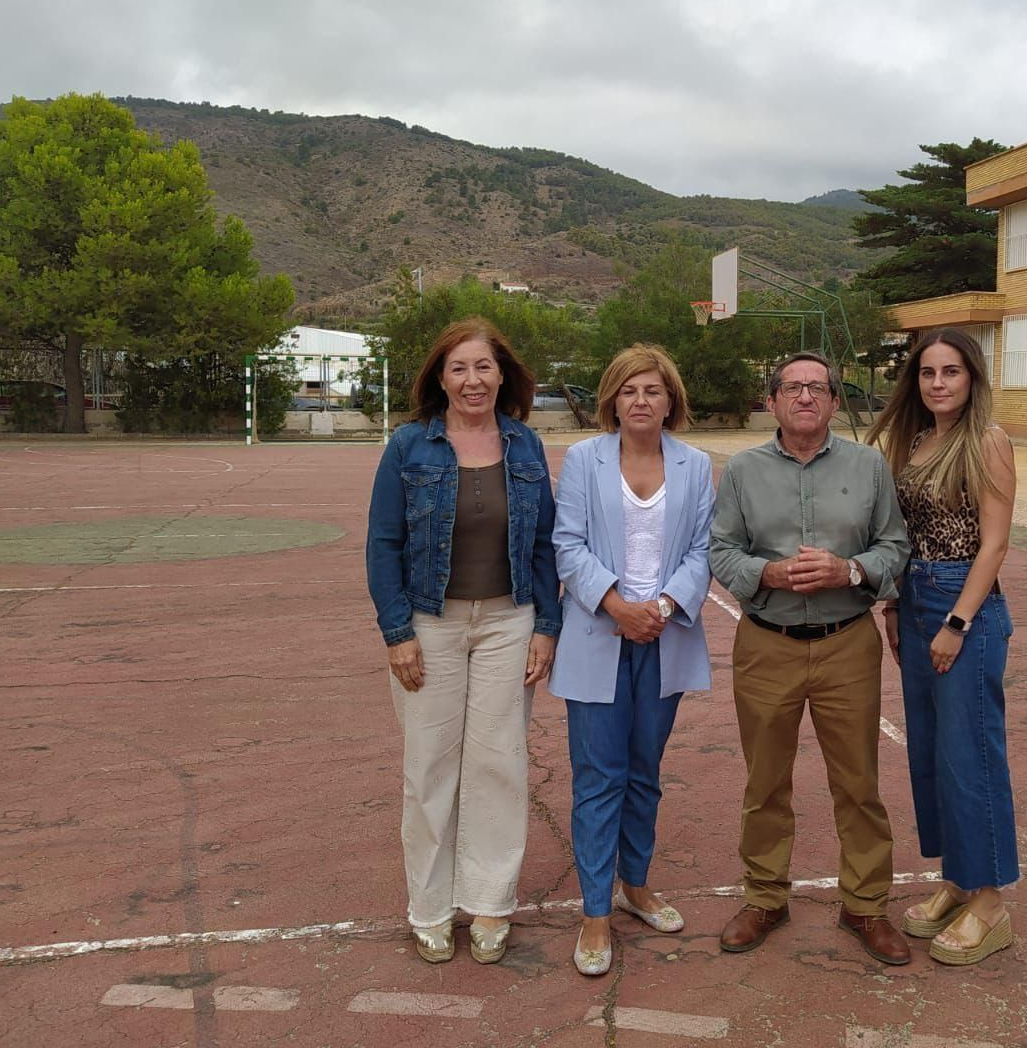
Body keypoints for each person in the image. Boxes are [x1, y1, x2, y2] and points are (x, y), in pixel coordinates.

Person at [364, 317, 561, 966]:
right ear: (440, 378)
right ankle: (429, 909)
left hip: (510, 620)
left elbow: (543, 547)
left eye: (483, 367)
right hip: (430, 624)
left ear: (503, 375)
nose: (472, 380)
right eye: (459, 368)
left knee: (499, 764)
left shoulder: (526, 446)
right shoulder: (408, 447)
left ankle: (491, 906)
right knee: (429, 769)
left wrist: (545, 628)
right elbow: (383, 543)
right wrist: (398, 634)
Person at [709, 351, 912, 965]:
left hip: (847, 643)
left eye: (817, 388)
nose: (805, 397)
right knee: (765, 781)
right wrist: (767, 571)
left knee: (858, 784)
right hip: (766, 642)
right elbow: (720, 551)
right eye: (792, 388)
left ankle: (866, 906)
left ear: (832, 400)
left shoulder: (868, 465)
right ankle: (766, 897)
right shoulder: (742, 470)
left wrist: (850, 569)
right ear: (771, 401)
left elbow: (894, 545)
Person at [551, 344, 715, 976]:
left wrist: (667, 604)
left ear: (670, 400)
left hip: (664, 637)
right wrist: (617, 605)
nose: (641, 401)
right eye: (628, 391)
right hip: (599, 635)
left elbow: (702, 547)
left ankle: (635, 885)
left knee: (645, 771)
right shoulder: (584, 460)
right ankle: (596, 911)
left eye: (652, 390)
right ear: (611, 400)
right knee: (598, 777)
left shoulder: (696, 466)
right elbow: (566, 545)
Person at [868, 327, 1019, 966]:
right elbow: (906, 537)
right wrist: (899, 605)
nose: (938, 384)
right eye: (928, 373)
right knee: (931, 752)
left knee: (971, 751)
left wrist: (956, 625)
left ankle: (989, 902)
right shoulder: (917, 441)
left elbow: (995, 544)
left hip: (967, 605)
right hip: (919, 593)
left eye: (951, 372)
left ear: (972, 378)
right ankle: (958, 879)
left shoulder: (988, 442)